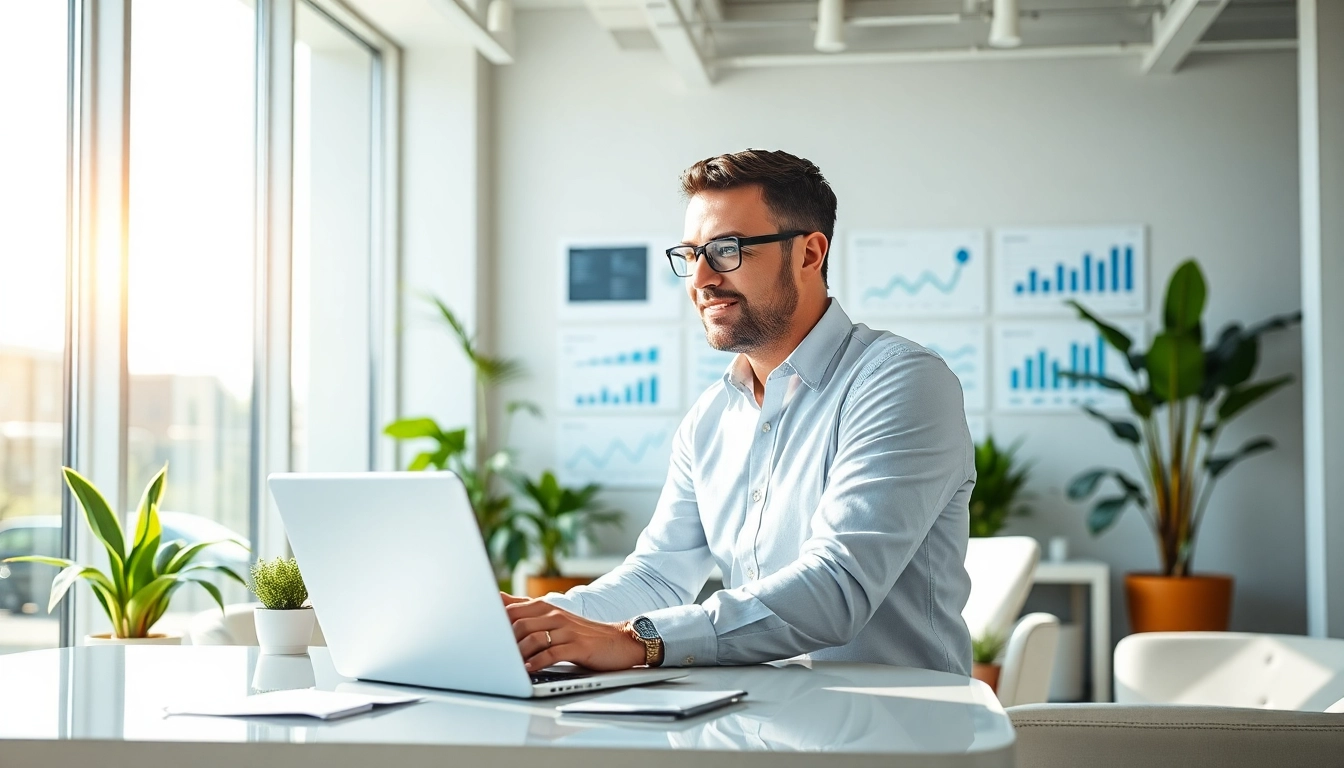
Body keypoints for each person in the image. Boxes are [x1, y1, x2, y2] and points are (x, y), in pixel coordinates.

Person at [505, 149, 974, 675]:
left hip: (899, 735)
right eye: (690, 253)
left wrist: (638, 639)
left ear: (809, 253)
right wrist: (532, 623)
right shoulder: (711, 417)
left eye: (727, 250)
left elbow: (838, 585)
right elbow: (658, 577)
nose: (701, 277)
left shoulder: (901, 381)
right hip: (760, 724)